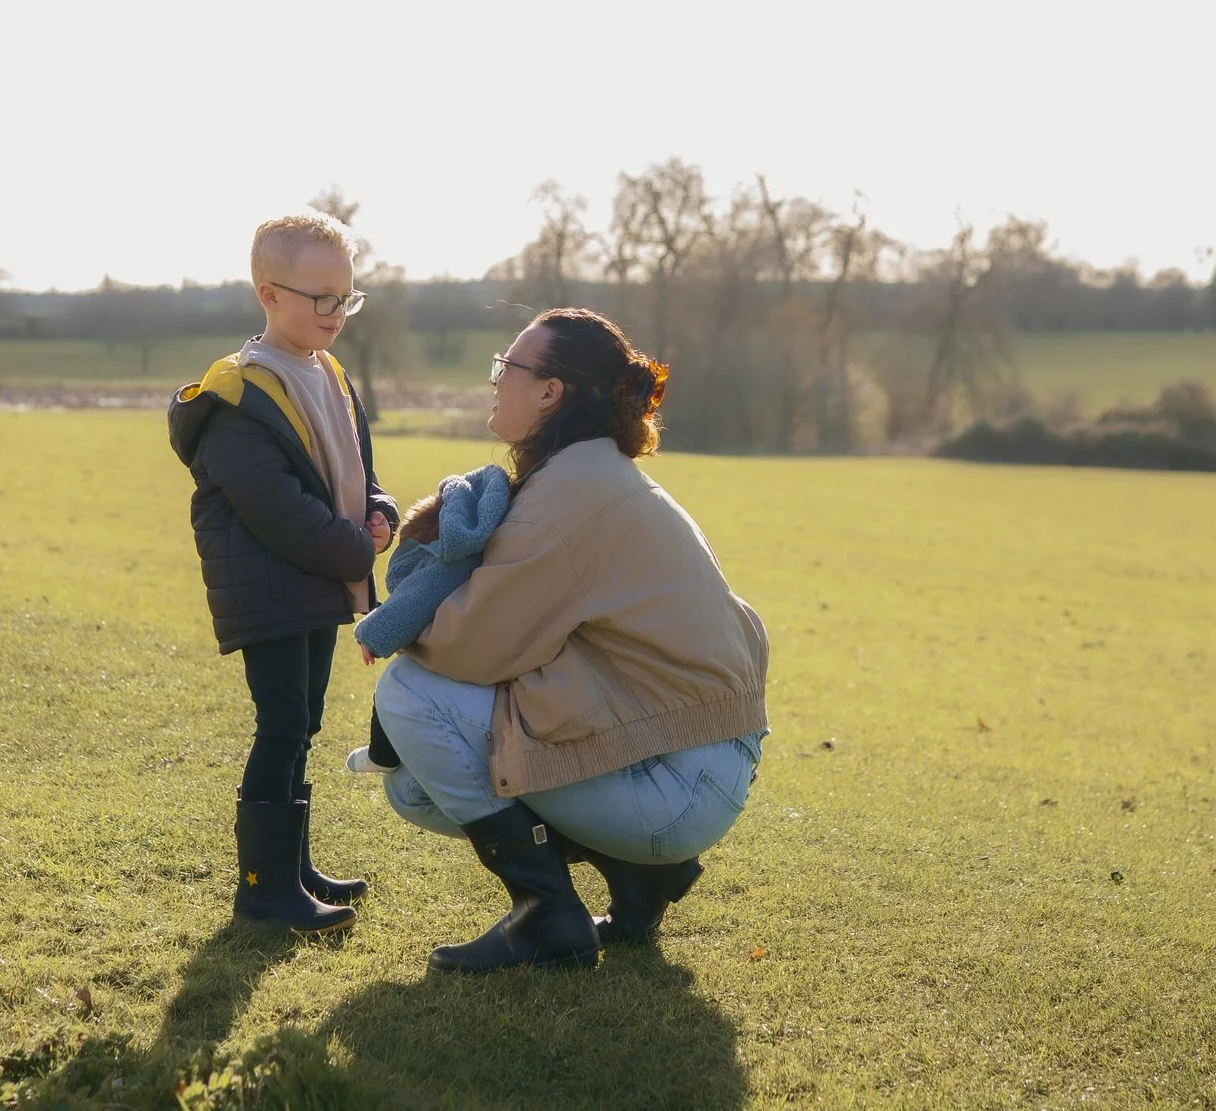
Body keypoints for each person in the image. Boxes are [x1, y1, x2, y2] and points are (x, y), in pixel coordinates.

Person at [371, 308, 770, 973]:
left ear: (550, 392)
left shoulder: (570, 493)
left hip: (677, 783)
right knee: (414, 784)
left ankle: (548, 915)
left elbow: (472, 647)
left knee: (409, 693)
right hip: (698, 763)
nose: (495, 378)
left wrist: (407, 613)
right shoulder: (592, 474)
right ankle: (638, 874)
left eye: (508, 366)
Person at [166, 211, 398, 934]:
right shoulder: (240, 394)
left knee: (305, 721)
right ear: (268, 294)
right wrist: (357, 549)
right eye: (321, 297)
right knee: (282, 722)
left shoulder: (328, 373)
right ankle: (263, 891)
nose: (337, 312)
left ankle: (293, 868)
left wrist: (381, 511)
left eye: (347, 297)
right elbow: (278, 509)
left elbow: (352, 471)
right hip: (270, 586)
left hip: (316, 581)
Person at [346, 464, 516, 772]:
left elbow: (414, 598)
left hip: (463, 651)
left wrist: (372, 635)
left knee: (401, 680)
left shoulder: (448, 563)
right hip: (495, 642)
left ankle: (382, 755)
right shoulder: (487, 538)